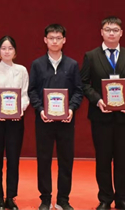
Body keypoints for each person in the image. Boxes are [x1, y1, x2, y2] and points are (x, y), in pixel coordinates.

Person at [80, 16, 125, 210]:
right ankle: (105, 199)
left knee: (122, 159)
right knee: (102, 159)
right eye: (108, 30)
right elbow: (83, 83)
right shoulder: (91, 56)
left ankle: (122, 199)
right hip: (100, 117)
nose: (111, 33)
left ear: (121, 33)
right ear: (101, 32)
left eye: (115, 30)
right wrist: (97, 100)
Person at [28, 25, 84, 210]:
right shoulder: (37, 64)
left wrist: (72, 109)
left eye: (58, 38)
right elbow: (32, 91)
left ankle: (63, 199)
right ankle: (45, 199)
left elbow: (78, 91)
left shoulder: (72, 65)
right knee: (43, 159)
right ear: (45, 40)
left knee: (66, 160)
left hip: (66, 121)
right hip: (44, 120)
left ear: (64, 40)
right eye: (51, 38)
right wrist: (40, 110)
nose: (54, 41)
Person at [0, 35, 29, 210]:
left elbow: (25, 95)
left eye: (10, 48)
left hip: (16, 120)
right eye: (3, 48)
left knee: (13, 158)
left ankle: (11, 197)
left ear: (15, 52)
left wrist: (20, 110)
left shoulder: (22, 70)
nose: (7, 51)